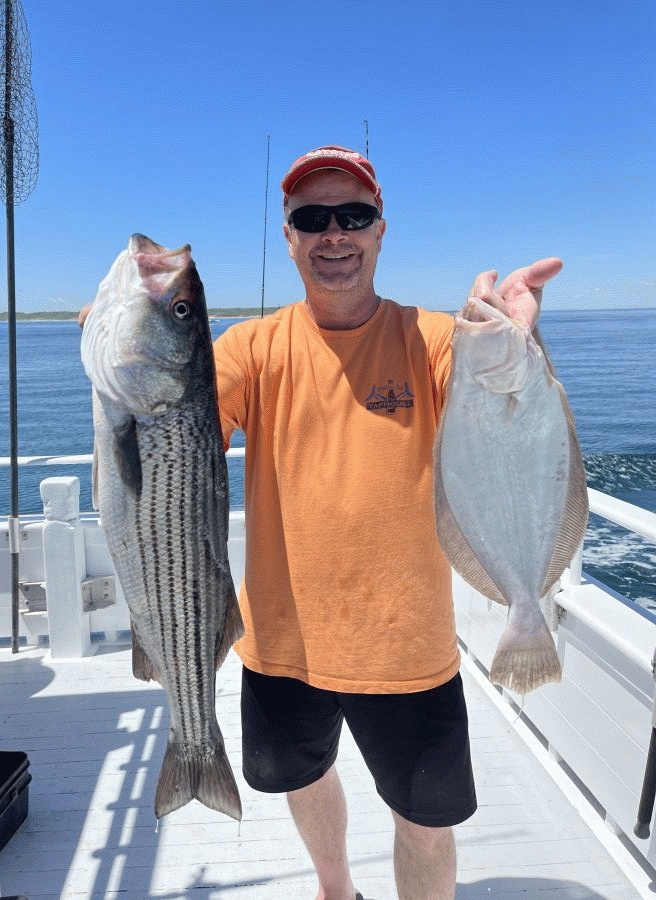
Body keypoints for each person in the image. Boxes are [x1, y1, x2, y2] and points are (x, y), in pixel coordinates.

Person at [213, 145, 563, 900]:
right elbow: (175, 434)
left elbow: (502, 406)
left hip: (405, 642)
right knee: (303, 778)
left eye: (353, 214)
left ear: (379, 229)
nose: (333, 233)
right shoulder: (249, 347)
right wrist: (137, 361)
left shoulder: (432, 338)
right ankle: (335, 889)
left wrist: (512, 342)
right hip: (280, 640)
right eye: (313, 218)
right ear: (288, 237)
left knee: (425, 824)